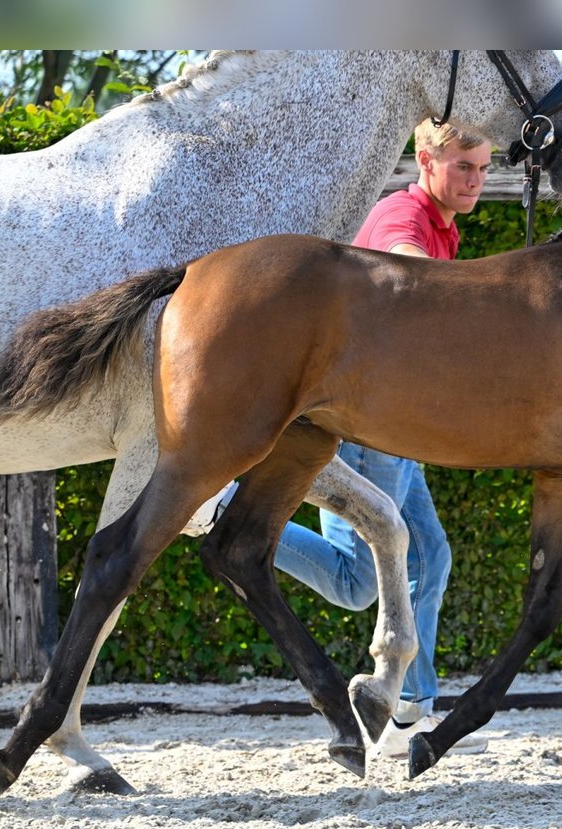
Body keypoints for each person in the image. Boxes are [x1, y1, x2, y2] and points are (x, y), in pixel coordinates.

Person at [184, 118, 493, 759]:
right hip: (364, 425)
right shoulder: (403, 215)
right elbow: (401, 262)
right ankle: (217, 509)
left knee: (431, 556)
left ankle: (407, 706)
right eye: (464, 166)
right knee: (357, 582)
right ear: (426, 160)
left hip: (398, 424)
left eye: (484, 168)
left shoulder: (442, 223)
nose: (476, 180)